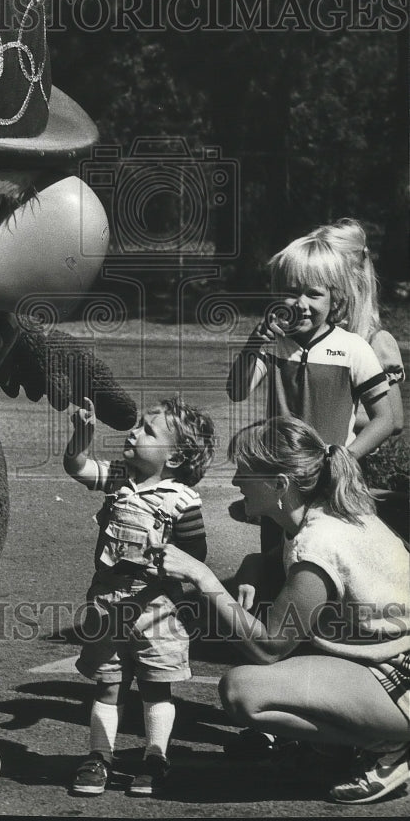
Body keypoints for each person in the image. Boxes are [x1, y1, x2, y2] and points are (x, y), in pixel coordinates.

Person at [159, 416, 410, 806]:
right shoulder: (326, 510)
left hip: (400, 682)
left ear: (279, 484)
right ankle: (340, 745)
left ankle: (388, 744)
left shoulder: (318, 546)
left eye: (244, 472)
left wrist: (203, 579)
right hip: (389, 663)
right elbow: (291, 557)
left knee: (243, 690)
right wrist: (254, 564)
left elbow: (269, 647)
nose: (235, 482)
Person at [63, 395, 214, 798]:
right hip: (108, 602)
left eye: (148, 430)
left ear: (176, 457)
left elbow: (196, 555)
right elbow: (76, 467)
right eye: (139, 425)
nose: (134, 431)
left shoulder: (183, 500)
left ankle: (155, 757)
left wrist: (163, 548)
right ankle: (100, 756)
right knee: (107, 683)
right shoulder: (117, 478)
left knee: (154, 685)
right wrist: (81, 437)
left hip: (157, 608)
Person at [226, 229, 395, 562]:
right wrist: (254, 344)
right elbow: (236, 391)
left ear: (336, 300)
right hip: (279, 481)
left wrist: (344, 457)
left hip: (331, 482)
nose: (301, 303)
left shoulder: (353, 349)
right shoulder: (273, 346)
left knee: (329, 555)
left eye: (313, 293)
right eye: (290, 292)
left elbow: (386, 418)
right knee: (278, 556)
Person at [310, 218, 407, 539]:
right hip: (307, 465)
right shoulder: (320, 337)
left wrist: (339, 418)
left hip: (348, 472)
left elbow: (392, 421)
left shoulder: (376, 341)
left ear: (348, 282)